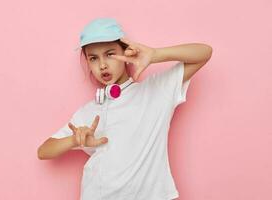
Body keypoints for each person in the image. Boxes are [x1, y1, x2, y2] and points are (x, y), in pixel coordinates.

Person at [37, 17, 212, 200]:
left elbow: (204, 52)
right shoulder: (90, 111)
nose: (102, 65)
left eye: (110, 54)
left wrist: (155, 55)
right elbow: (44, 151)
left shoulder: (155, 91)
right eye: (93, 58)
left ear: (126, 54)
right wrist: (75, 140)